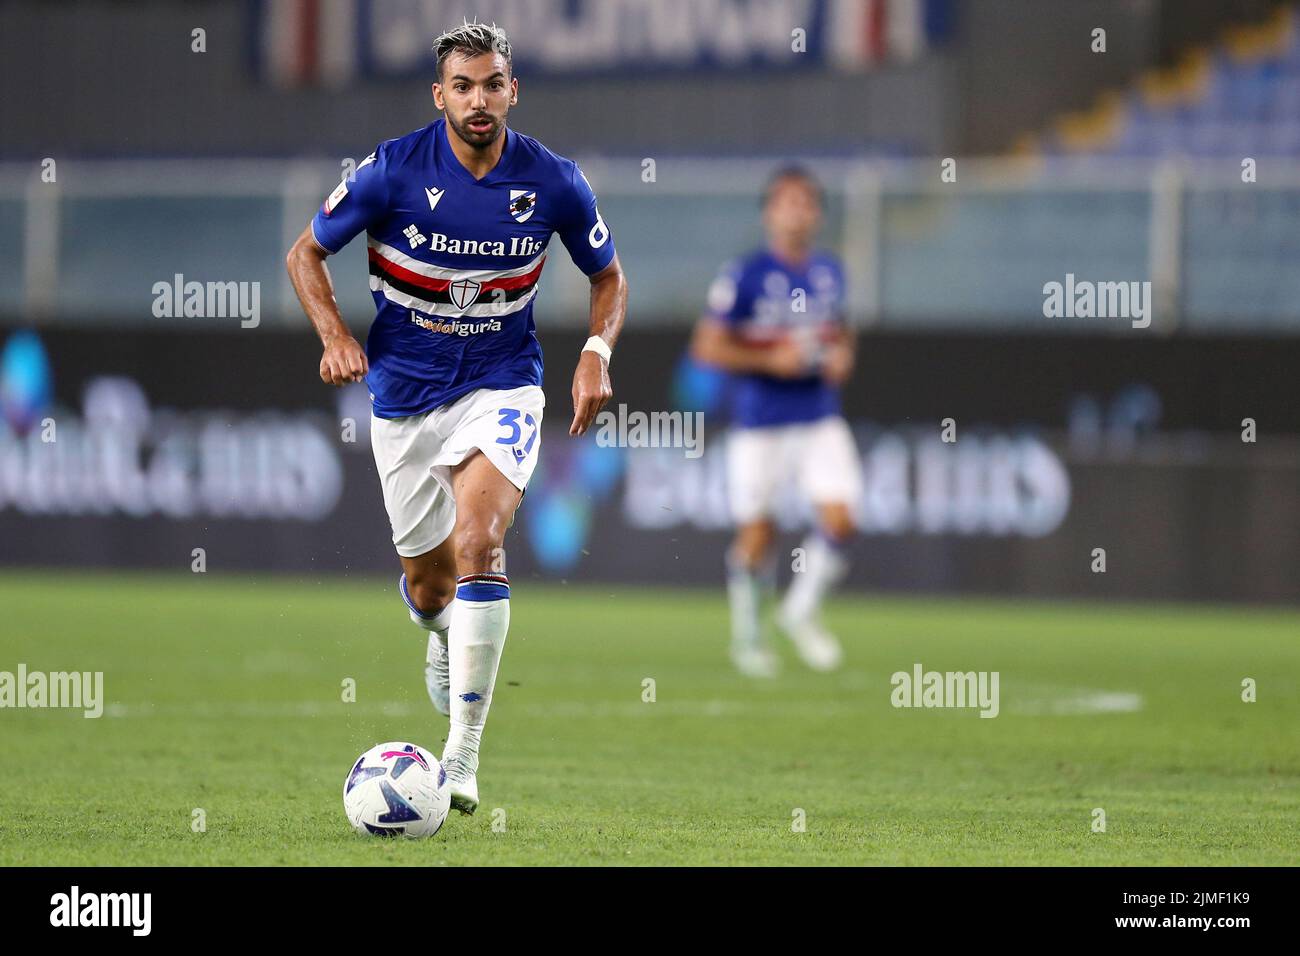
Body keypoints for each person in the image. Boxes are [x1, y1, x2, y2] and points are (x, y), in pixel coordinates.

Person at [285, 20, 627, 812]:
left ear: (513, 90)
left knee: (480, 541)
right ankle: (443, 634)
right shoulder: (390, 171)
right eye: (463, 86)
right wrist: (335, 335)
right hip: (405, 397)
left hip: (501, 384)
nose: (479, 100)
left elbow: (608, 277)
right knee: (431, 586)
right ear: (439, 95)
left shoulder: (555, 181)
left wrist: (595, 352)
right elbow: (305, 253)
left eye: (493, 84)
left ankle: (462, 758)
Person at [690, 166, 859, 677]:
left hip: (818, 415)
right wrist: (769, 360)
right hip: (760, 421)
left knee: (842, 519)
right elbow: (707, 346)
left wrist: (843, 355)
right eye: (787, 202)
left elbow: (841, 331)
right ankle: (748, 636)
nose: (797, 213)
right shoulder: (746, 274)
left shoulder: (831, 271)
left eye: (806, 203)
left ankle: (800, 610)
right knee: (758, 534)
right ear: (768, 213)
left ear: (818, 214)